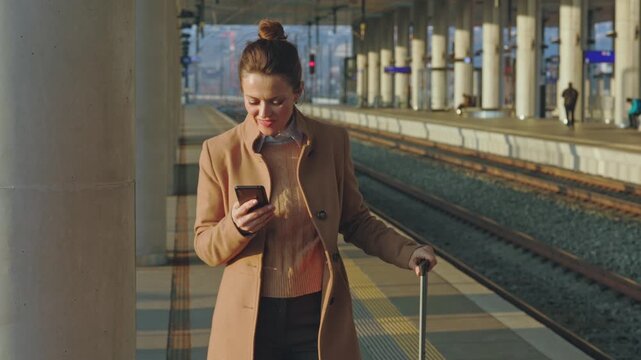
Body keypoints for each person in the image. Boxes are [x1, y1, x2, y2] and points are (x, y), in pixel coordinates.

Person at [193, 19, 437, 360]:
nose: (264, 113)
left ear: (298, 92)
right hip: (249, 319)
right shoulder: (219, 152)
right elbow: (205, 245)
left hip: (317, 315)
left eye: (277, 101)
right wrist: (235, 227)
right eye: (253, 101)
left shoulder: (332, 142)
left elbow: (356, 221)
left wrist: (406, 252)